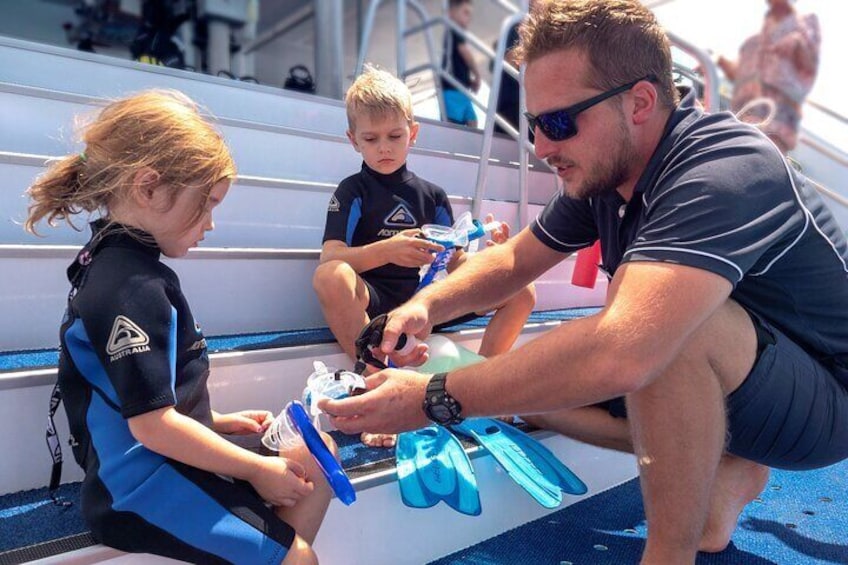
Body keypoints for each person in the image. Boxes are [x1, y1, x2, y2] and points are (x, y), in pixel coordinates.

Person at [321, 1, 848, 563]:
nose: (541, 148)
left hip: (825, 398)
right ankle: (722, 468)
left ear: (641, 102)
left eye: (557, 123)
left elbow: (625, 350)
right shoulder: (605, 172)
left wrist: (434, 398)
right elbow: (512, 263)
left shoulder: (723, 166)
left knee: (653, 327)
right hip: (743, 373)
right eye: (532, 125)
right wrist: (421, 307)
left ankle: (668, 554)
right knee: (539, 391)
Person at [25, 90, 333, 565]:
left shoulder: (128, 264)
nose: (210, 224)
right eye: (206, 204)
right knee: (299, 559)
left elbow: (146, 396)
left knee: (316, 457)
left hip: (163, 453)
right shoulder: (128, 286)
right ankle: (278, 551)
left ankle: (261, 548)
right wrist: (254, 469)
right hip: (136, 484)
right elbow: (150, 426)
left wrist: (221, 424)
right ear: (148, 188)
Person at [312, 66, 535, 447]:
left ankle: (478, 387)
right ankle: (373, 387)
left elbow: (458, 263)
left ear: (412, 133)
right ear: (354, 141)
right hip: (377, 302)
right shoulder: (352, 191)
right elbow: (331, 257)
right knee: (330, 277)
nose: (384, 147)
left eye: (395, 136)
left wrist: (491, 256)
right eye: (371, 138)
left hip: (425, 303)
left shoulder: (432, 196)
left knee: (521, 293)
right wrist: (388, 250)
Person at [717, 0, 820, 154]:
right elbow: (739, 76)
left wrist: (797, 43)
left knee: (759, 164)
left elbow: (810, 62)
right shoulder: (755, 40)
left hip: (778, 123)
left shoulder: (806, 23)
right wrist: (716, 61)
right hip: (742, 118)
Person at [441, 0, 482, 127]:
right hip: (452, 88)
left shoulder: (456, 32)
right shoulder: (453, 29)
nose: (468, 18)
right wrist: (477, 75)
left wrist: (469, 81)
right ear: (451, 13)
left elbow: (458, 64)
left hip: (461, 88)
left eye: (470, 14)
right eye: (465, 12)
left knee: (472, 121)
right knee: (455, 124)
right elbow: (464, 51)